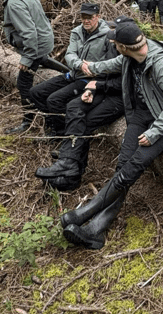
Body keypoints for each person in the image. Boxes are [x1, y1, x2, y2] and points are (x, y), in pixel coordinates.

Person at [60, 22, 163, 249]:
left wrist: (155, 131)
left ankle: (89, 213)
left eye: (115, 43)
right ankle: (97, 230)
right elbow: (109, 65)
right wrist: (88, 68)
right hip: (142, 114)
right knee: (123, 164)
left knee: (134, 165)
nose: (113, 45)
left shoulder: (162, 65)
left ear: (124, 46)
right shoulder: (131, 57)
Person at [34, 16, 134, 191]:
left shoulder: (131, 57)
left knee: (85, 122)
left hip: (120, 98)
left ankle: (72, 171)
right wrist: (91, 89)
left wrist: (98, 85)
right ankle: (68, 161)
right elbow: (102, 75)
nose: (110, 41)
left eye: (114, 37)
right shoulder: (114, 47)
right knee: (74, 106)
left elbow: (124, 85)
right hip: (104, 90)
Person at [0, 0, 61, 134]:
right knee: (41, 61)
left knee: (23, 83)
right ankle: (64, 70)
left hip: (37, 44)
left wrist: (27, 58)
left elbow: (29, 33)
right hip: (45, 39)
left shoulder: (14, 2)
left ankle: (30, 121)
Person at [29, 3, 111, 138]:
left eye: (90, 17)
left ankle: (62, 134)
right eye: (83, 17)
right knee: (36, 92)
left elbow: (109, 62)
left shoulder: (107, 35)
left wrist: (92, 68)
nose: (86, 20)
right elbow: (69, 54)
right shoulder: (77, 32)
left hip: (89, 79)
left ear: (98, 17)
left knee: (54, 100)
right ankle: (52, 123)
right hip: (74, 73)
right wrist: (79, 64)